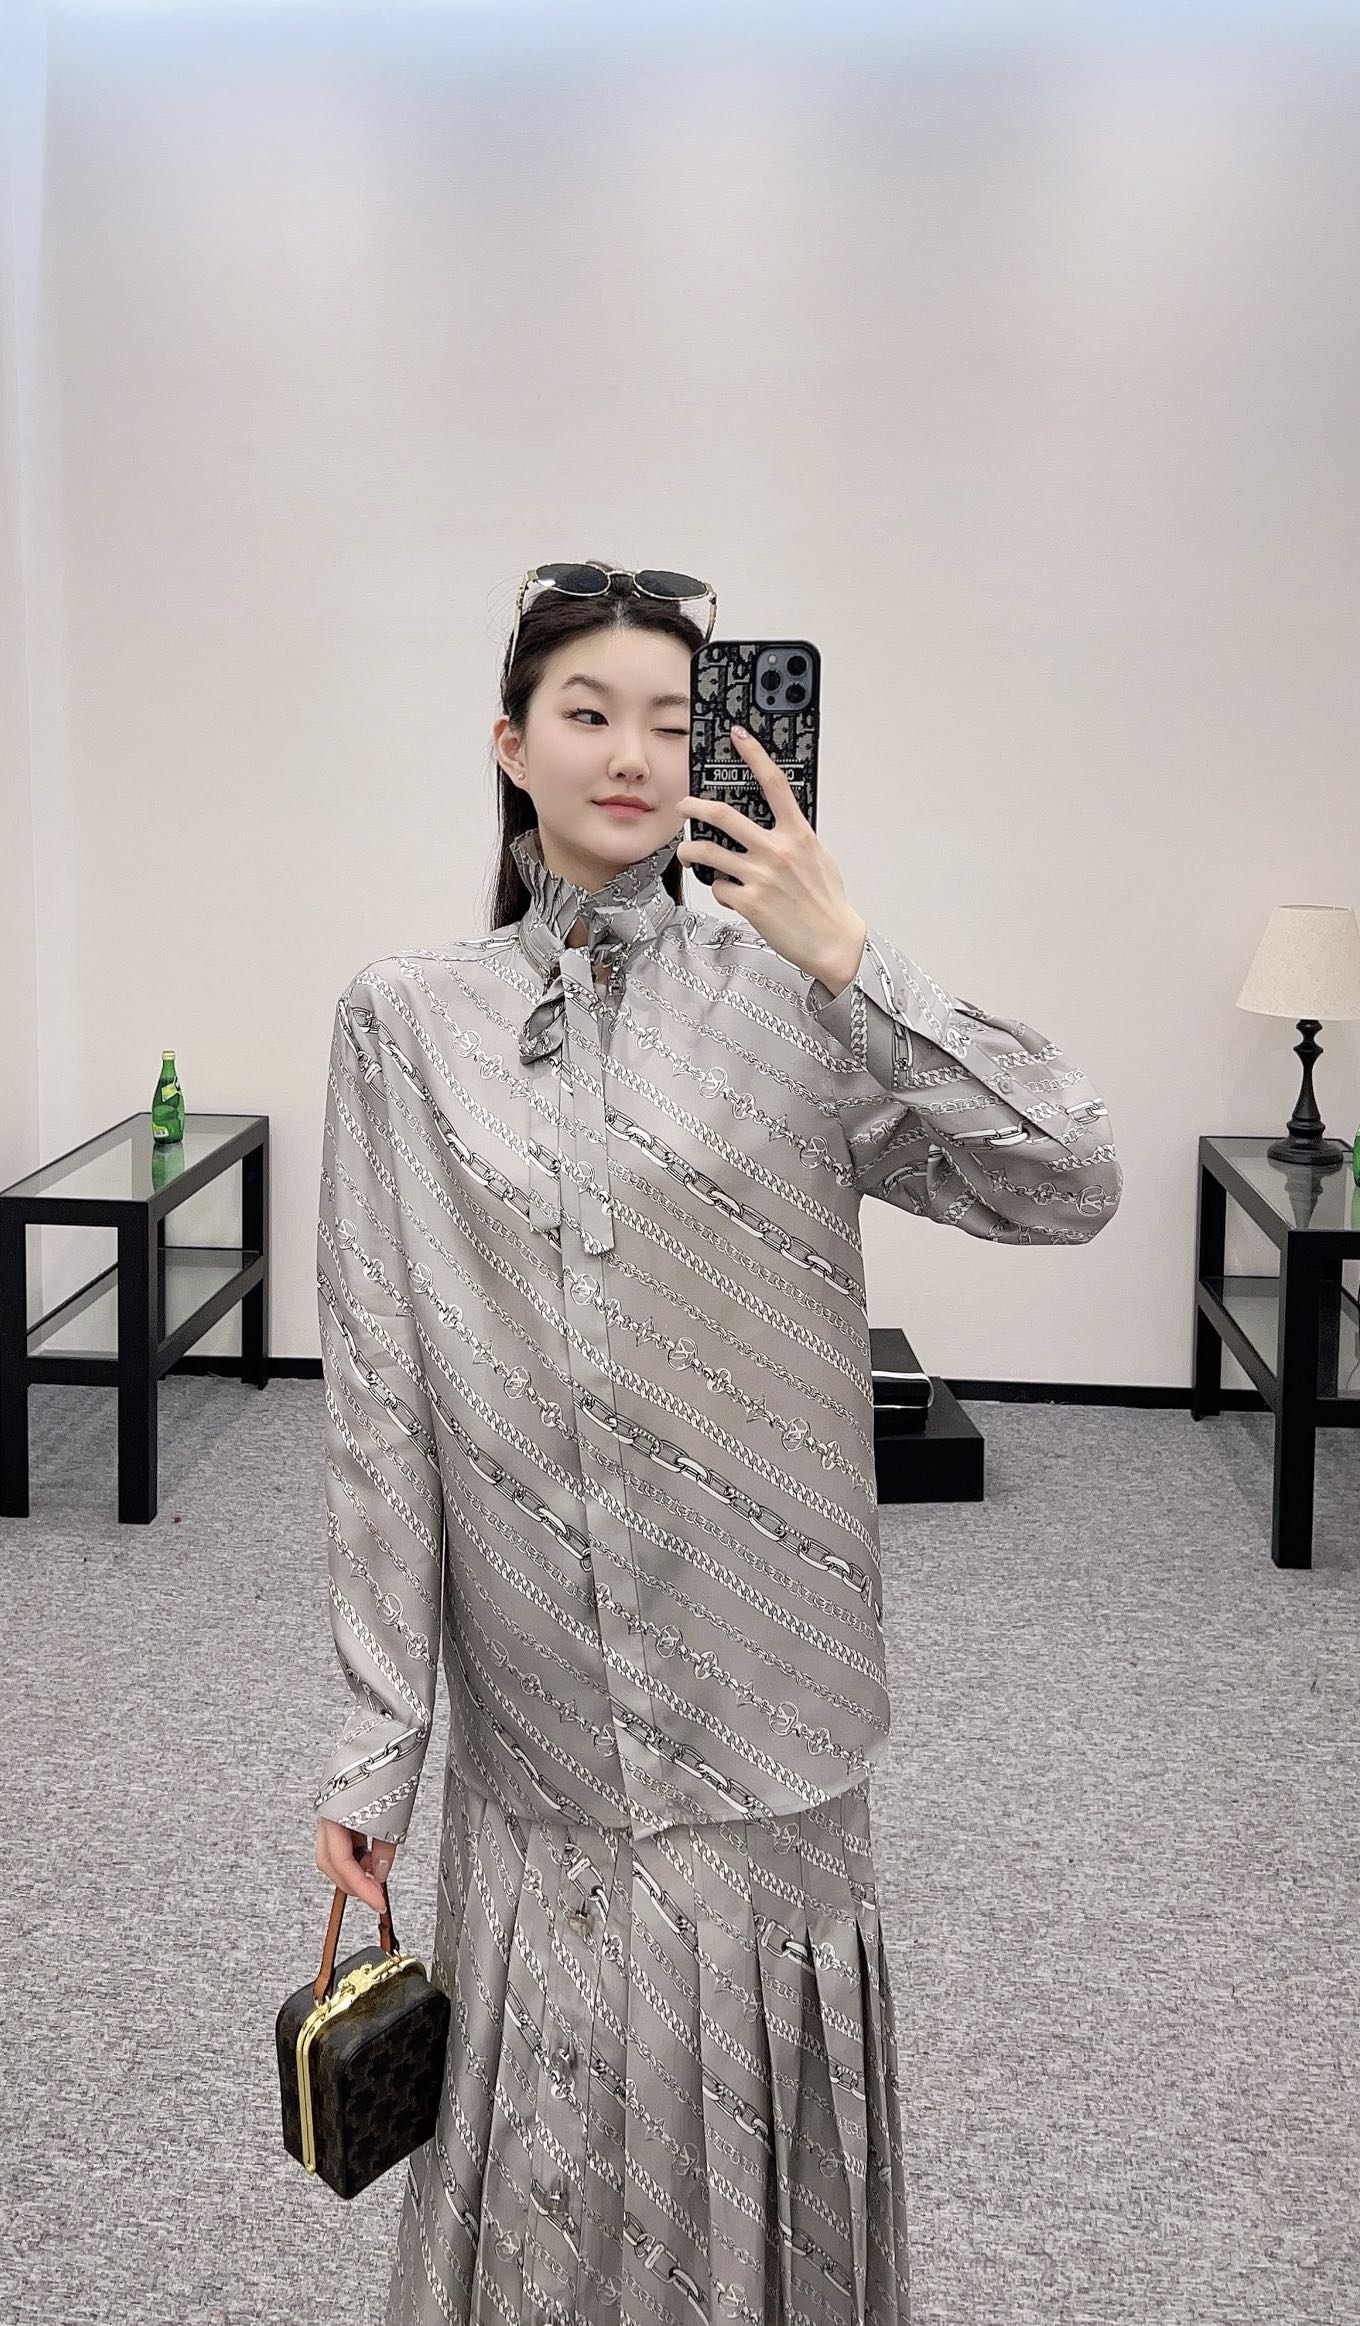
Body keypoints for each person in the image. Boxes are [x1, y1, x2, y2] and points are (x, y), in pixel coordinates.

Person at [312, 563, 1122, 2326]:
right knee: (552, 2158)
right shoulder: (406, 1022)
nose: (633, 755)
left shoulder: (791, 1002)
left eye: (676, 724)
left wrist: (858, 961)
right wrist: (378, 1749)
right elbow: (378, 1396)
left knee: (757, 2168)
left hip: (768, 1697)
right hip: (541, 1711)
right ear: (510, 743)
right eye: (590, 713)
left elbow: (1070, 1178)